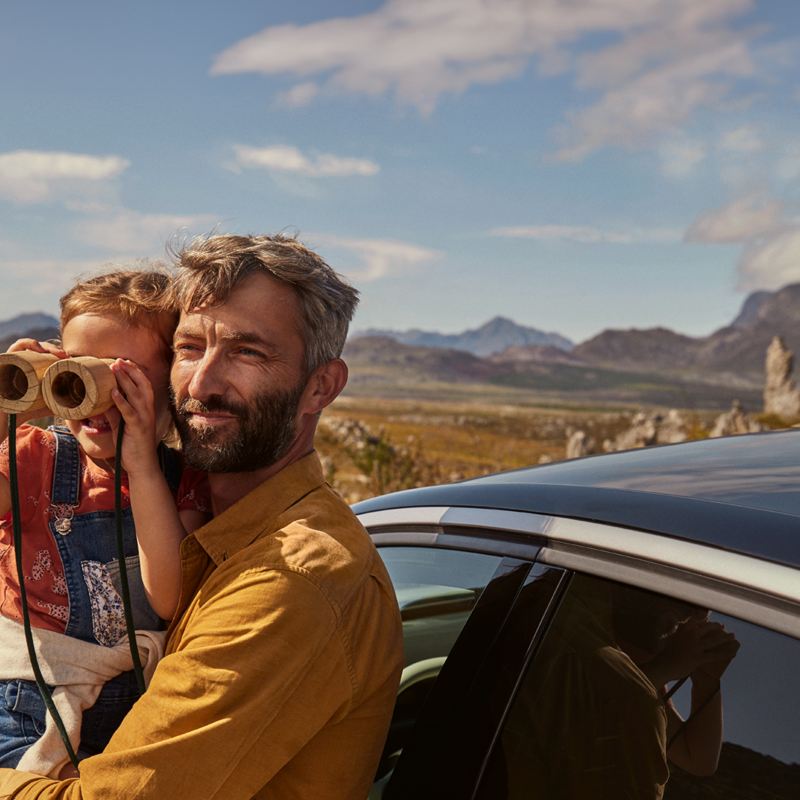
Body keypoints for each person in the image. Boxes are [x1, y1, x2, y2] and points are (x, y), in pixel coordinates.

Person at [0, 233, 405, 799]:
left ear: (321, 387)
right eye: (190, 348)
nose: (202, 383)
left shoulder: (291, 580)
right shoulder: (210, 520)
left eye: (247, 352)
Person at [0, 270, 210, 777]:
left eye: (126, 375)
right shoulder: (34, 458)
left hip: (134, 706)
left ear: (169, 384)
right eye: (75, 370)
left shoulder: (183, 477)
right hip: (27, 703)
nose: (93, 394)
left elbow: (168, 597)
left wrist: (140, 465)